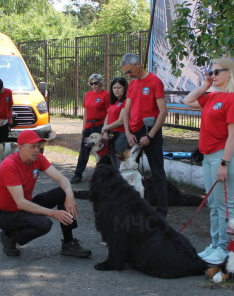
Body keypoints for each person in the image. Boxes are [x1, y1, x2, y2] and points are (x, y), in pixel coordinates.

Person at [182, 58, 234, 265]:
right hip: (209, 155)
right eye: (211, 71)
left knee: (224, 206)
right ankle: (216, 244)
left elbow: (233, 136)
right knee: (213, 204)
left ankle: (227, 248)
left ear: (229, 73)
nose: (213, 75)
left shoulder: (233, 99)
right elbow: (187, 101)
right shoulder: (213, 96)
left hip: (222, 155)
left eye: (217, 72)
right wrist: (205, 85)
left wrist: (224, 164)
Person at [0, 130, 92, 258]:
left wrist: (70, 195)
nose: (36, 150)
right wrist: (53, 213)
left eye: (38, 147)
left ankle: (68, 244)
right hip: (7, 215)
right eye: (32, 147)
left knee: (62, 192)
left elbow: (62, 179)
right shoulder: (9, 165)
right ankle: (9, 237)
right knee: (44, 224)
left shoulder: (38, 159)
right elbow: (21, 203)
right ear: (20, 147)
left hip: (25, 207)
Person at [119, 53, 170, 217]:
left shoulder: (155, 82)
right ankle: (130, 205)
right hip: (133, 133)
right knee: (128, 170)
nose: (128, 75)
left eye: (129, 71)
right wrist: (127, 132)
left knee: (157, 171)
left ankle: (162, 210)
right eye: (126, 73)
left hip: (150, 131)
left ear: (138, 64)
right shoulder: (133, 84)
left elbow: (163, 112)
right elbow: (126, 109)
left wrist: (150, 136)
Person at [70, 73, 109, 184]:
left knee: (101, 150)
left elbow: (109, 112)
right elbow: (86, 110)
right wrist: (84, 126)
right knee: (84, 150)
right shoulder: (88, 94)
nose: (93, 85)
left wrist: (105, 129)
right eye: (91, 83)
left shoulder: (106, 95)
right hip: (89, 125)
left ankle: (100, 175)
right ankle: (78, 174)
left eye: (95, 83)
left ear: (100, 83)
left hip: (100, 125)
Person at [100, 77, 129, 171]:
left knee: (121, 160)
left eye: (119, 87)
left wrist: (105, 128)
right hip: (111, 134)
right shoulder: (114, 101)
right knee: (113, 160)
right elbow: (108, 116)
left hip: (121, 134)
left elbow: (121, 121)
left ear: (124, 88)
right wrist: (105, 131)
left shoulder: (126, 101)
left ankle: (123, 182)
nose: (116, 90)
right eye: (114, 88)